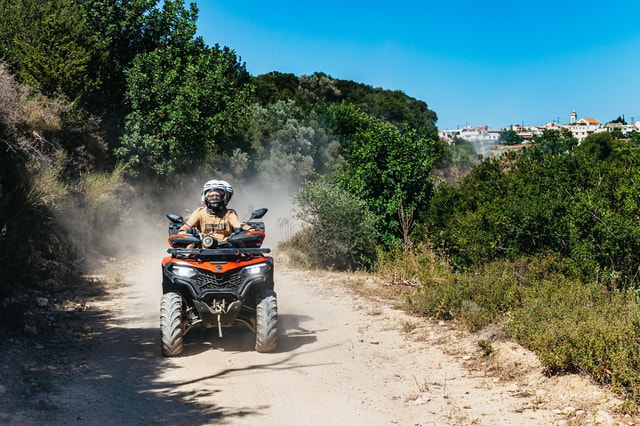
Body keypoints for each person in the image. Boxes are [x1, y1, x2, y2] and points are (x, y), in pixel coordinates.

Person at [179, 179, 252, 242]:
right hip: (204, 247)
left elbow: (238, 223)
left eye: (217, 196)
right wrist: (183, 231)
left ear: (223, 197)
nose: (214, 198)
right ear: (206, 198)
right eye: (211, 196)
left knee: (243, 248)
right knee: (187, 251)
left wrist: (249, 229)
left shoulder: (229, 213)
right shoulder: (199, 212)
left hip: (227, 247)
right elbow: (188, 225)